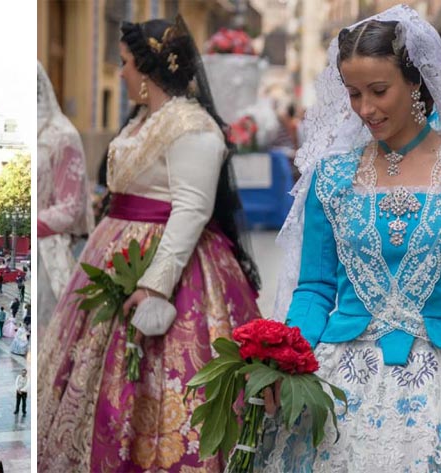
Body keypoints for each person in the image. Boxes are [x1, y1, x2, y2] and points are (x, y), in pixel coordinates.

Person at [256, 6, 441, 472]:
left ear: (416, 83)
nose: (365, 109)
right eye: (354, 94)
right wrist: (284, 362)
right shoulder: (332, 177)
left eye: (379, 91)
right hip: (340, 386)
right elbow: (315, 290)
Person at [37, 16, 263, 471]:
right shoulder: (147, 118)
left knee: (159, 382)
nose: (120, 73)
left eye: (124, 63)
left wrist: (156, 286)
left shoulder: (192, 126)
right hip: (117, 245)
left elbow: (192, 210)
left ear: (148, 67)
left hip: (169, 266)